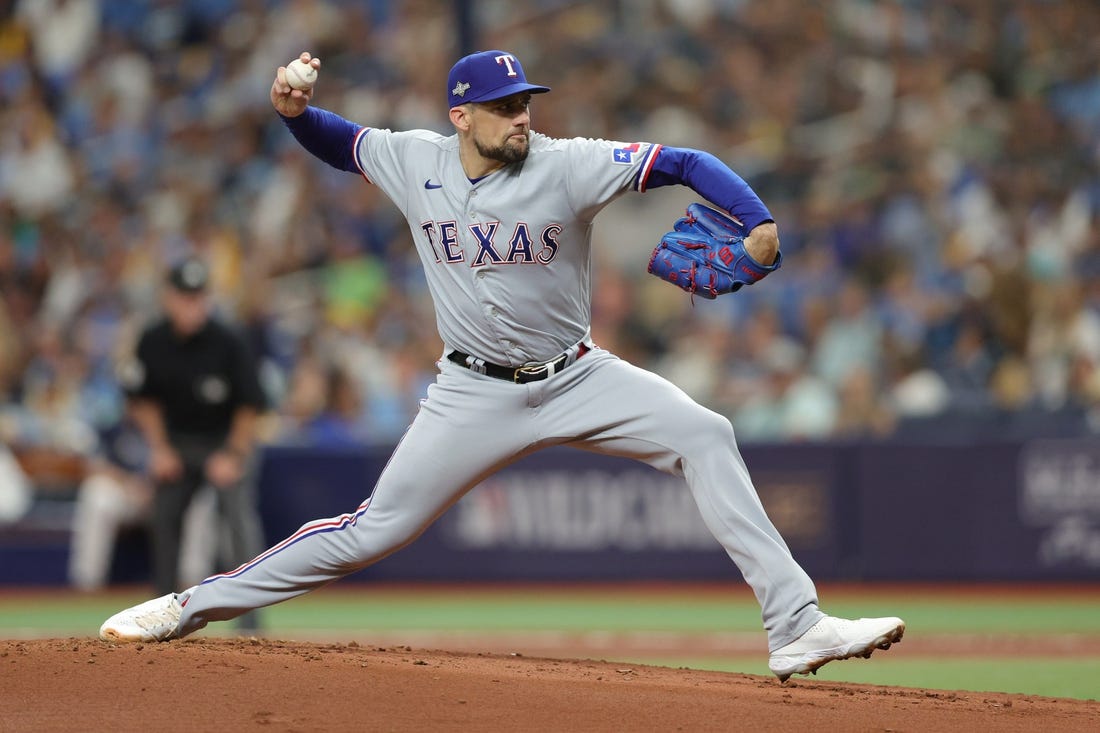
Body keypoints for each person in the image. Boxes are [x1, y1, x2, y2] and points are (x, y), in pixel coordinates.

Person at [100, 50, 904, 682]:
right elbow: (339, 143)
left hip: (578, 376)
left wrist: (756, 220)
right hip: (471, 391)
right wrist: (293, 112)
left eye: (525, 103)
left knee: (706, 433)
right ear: (461, 116)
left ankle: (796, 625)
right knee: (370, 531)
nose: (522, 117)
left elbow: (683, 161)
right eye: (504, 107)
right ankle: (187, 605)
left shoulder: (567, 163)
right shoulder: (414, 158)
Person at [115, 255, 268, 629]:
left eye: (198, 297)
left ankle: (250, 619)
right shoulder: (153, 340)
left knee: (237, 516)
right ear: (169, 298)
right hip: (177, 444)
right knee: (164, 515)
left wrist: (232, 454)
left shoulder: (229, 340)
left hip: (224, 440)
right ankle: (160, 614)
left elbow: (250, 405)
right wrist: (159, 449)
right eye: (185, 297)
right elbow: (143, 400)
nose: (192, 305)